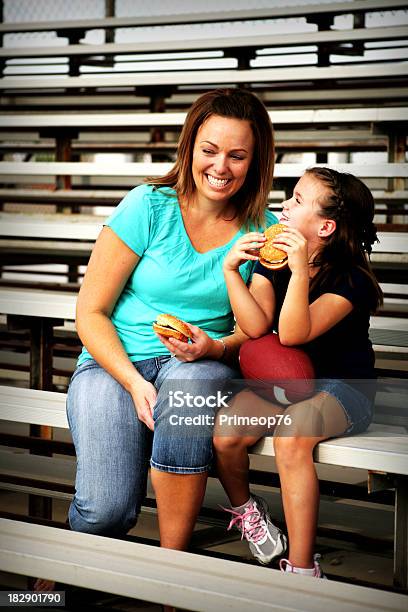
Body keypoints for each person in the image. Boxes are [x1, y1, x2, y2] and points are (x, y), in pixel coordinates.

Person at [34, 88, 278, 594]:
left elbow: (254, 332)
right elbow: (91, 311)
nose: (221, 167)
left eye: (237, 155)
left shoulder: (265, 229)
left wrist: (213, 347)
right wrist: (132, 381)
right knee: (106, 510)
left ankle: (174, 579)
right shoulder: (148, 204)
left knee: (193, 381)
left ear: (256, 161)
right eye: (209, 150)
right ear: (189, 147)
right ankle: (42, 591)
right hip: (112, 363)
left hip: (203, 362)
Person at [213, 167, 382, 578]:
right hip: (290, 381)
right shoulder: (274, 263)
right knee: (226, 430)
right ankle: (250, 513)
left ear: (325, 226)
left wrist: (300, 271)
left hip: (344, 387)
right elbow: (255, 327)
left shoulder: (351, 279)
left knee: (292, 435)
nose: (284, 206)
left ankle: (304, 568)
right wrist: (232, 272)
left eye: (298, 201)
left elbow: (292, 333)